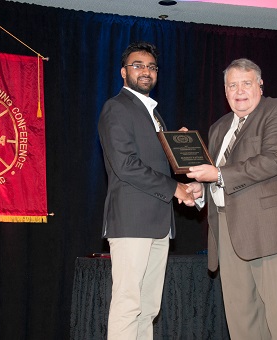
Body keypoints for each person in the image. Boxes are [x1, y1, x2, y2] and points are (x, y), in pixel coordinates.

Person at [186, 58, 277, 339]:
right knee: (242, 323)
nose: (239, 90)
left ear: (260, 84)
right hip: (230, 234)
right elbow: (218, 177)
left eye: (246, 83)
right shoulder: (219, 127)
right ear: (225, 91)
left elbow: (274, 160)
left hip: (275, 231)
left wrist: (217, 175)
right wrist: (201, 190)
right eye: (232, 85)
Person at [97, 41, 195, 339]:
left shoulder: (152, 113)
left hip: (158, 223)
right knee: (128, 304)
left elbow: (153, 160)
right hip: (132, 221)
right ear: (123, 72)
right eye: (138, 65)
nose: (146, 71)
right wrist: (175, 187)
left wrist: (177, 148)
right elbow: (126, 165)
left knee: (149, 307)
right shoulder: (117, 107)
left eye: (152, 67)